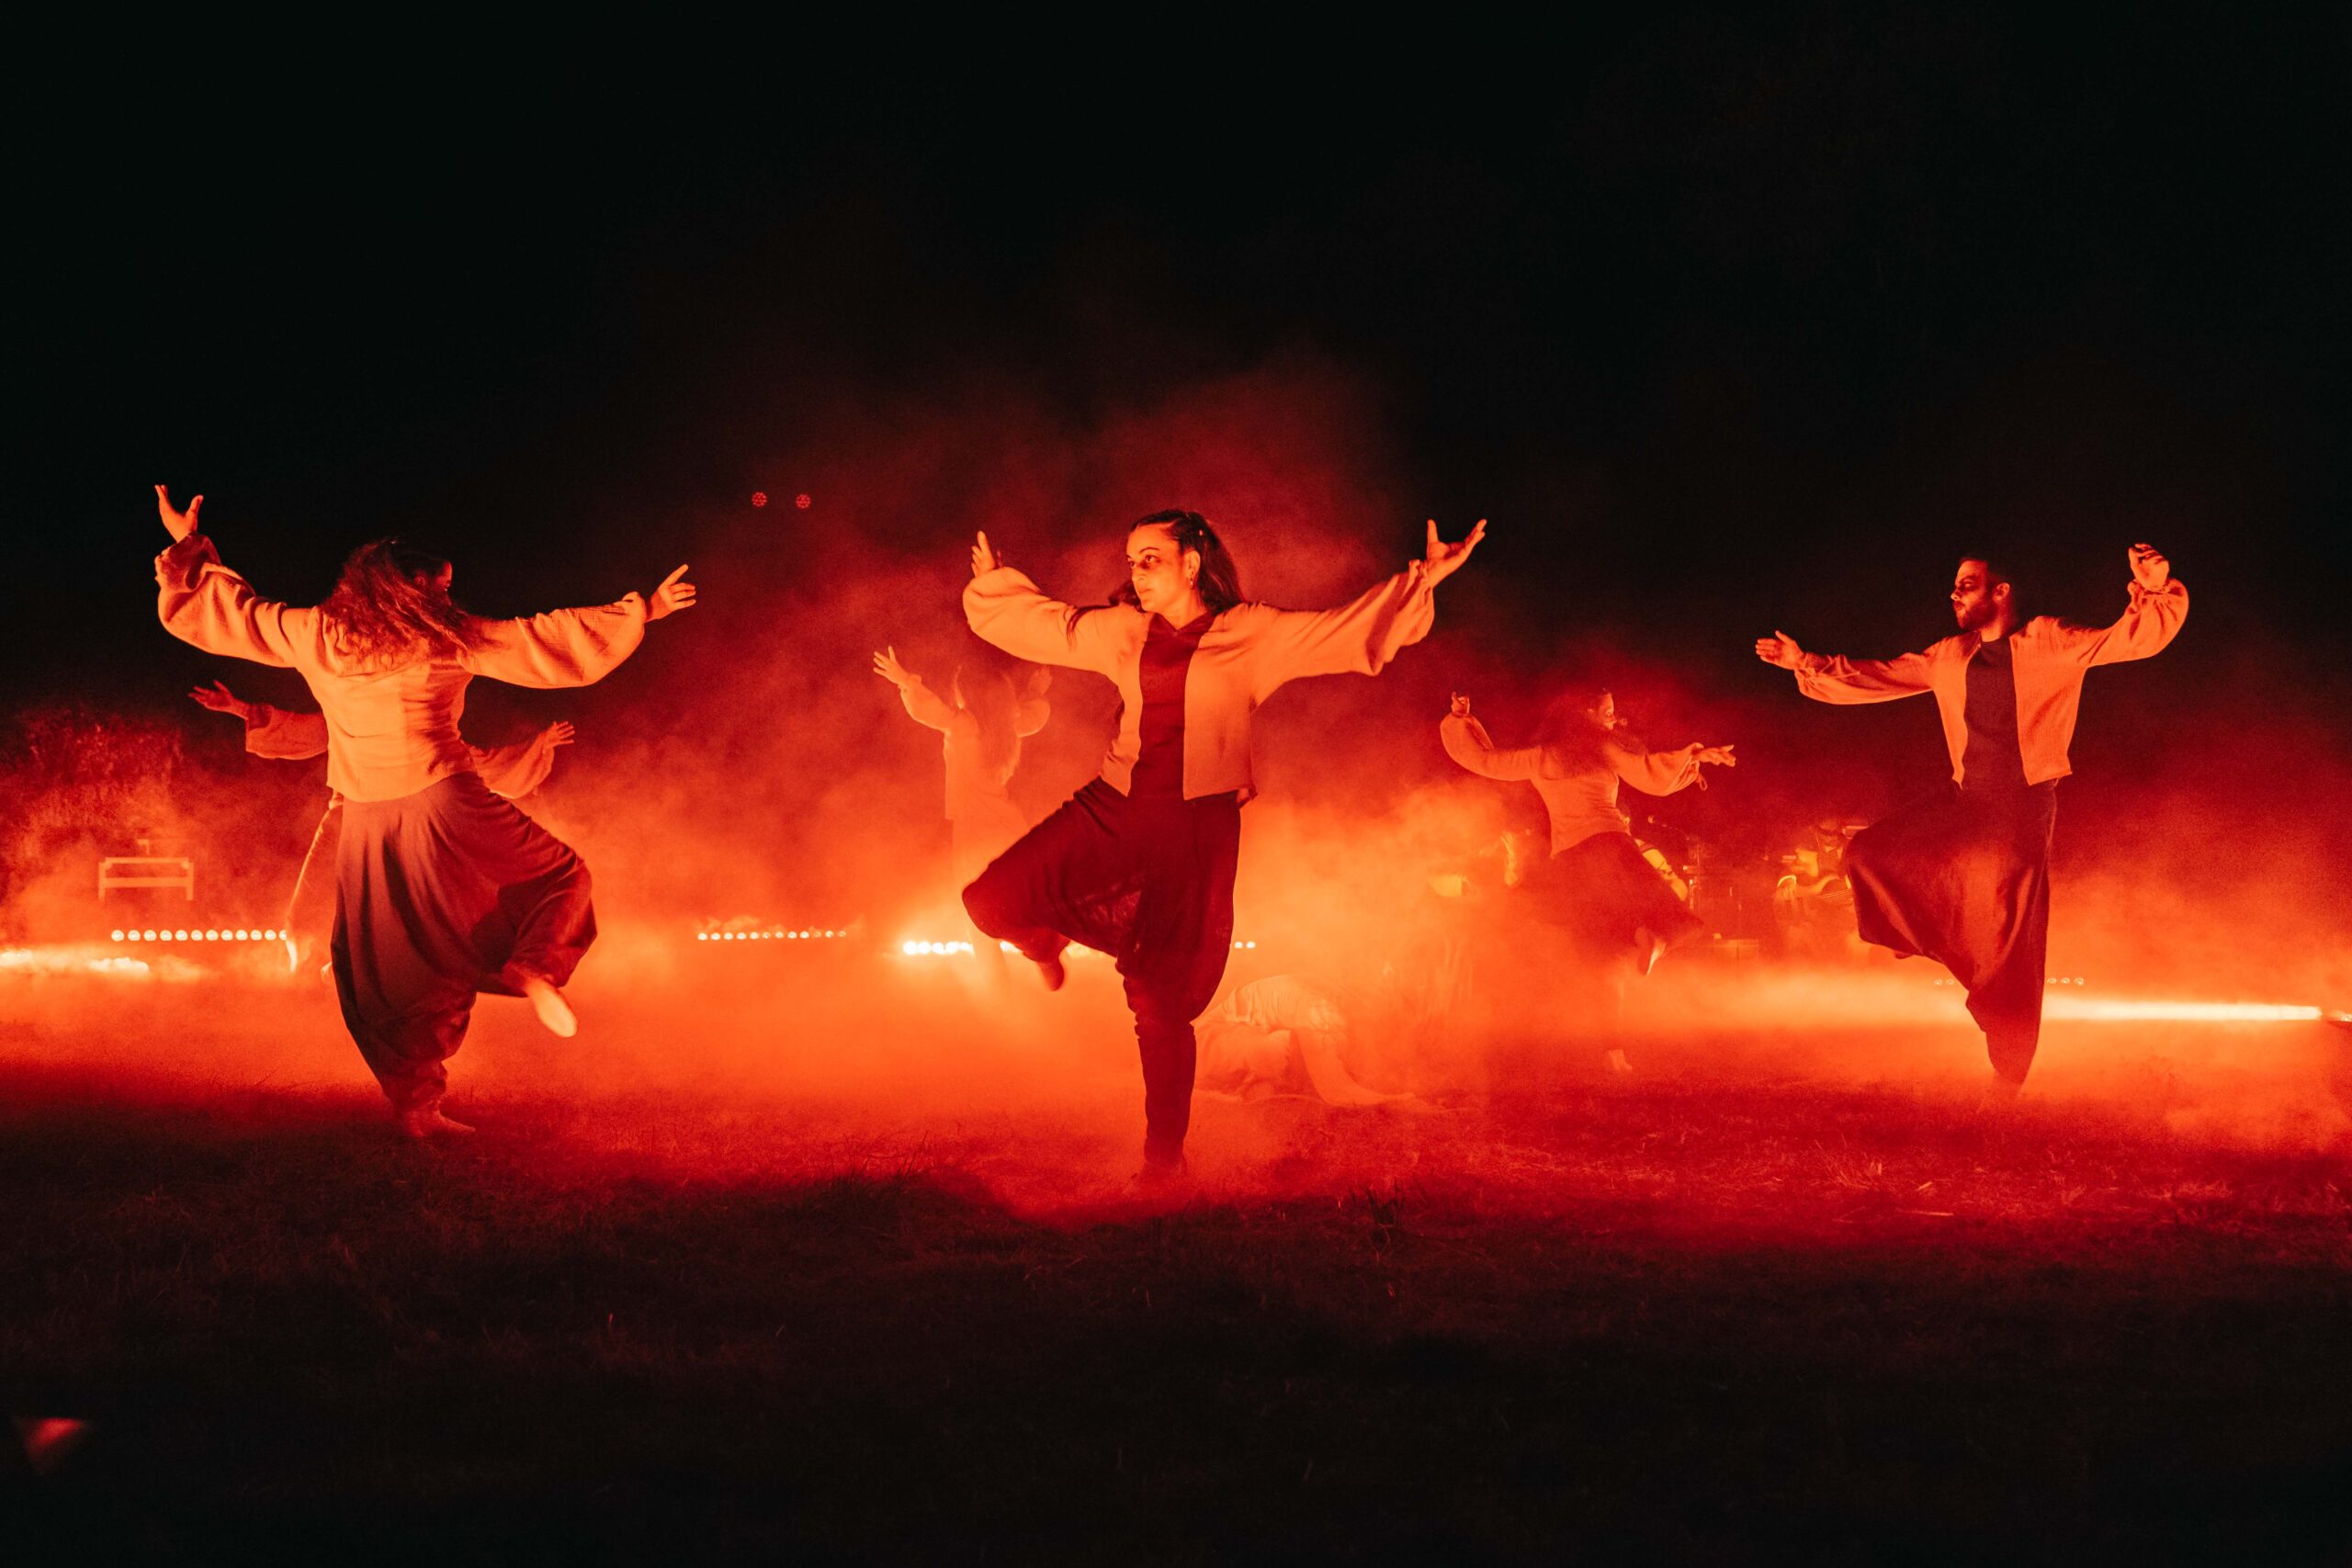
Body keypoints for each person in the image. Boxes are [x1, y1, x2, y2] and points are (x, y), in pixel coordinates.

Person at [152, 485, 696, 1136]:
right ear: (401, 587)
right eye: (435, 587)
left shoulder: (314, 633)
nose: (443, 597)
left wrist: (186, 546)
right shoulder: (444, 637)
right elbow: (534, 641)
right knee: (556, 878)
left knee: (387, 971)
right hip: (442, 800)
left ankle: (421, 1098)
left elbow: (232, 612)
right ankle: (526, 974)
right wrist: (642, 611)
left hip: (370, 820)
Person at [959, 509, 1486, 1179]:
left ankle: (1163, 1161)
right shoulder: (1124, 631)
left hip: (1195, 830)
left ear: (1190, 562)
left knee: (1159, 1002)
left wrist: (1422, 581)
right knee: (988, 901)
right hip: (1114, 807)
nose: (1136, 574)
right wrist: (997, 586)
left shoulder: (1251, 633)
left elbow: (1339, 631)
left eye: (1150, 558)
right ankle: (1044, 939)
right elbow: (1050, 624)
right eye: (1131, 561)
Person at [1756, 544, 2187, 1089]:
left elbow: (2127, 640)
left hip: (2021, 806)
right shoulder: (1948, 655)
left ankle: (2008, 1074)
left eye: (1968, 583)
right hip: (1967, 801)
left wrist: (2154, 588)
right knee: (1868, 851)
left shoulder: (2049, 640)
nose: (1955, 592)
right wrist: (1806, 665)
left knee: (2010, 941)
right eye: (1956, 584)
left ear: (2000, 591)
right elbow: (1878, 676)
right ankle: (1924, 937)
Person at [188, 679, 575, 976]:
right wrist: (235, 706)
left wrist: (538, 746)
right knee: (305, 919)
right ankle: (308, 991)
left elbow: (482, 764)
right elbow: (300, 728)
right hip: (347, 818)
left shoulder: (426, 733)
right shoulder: (354, 721)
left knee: (394, 926)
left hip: (399, 828)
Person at [1441, 686, 1733, 1074]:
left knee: (1602, 963)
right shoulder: (1604, 749)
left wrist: (1461, 720)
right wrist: (1693, 756)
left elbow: (1487, 760)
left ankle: (1613, 1054)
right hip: (1609, 847)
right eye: (1608, 711)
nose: (1614, 717)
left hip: (1570, 864)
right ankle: (1655, 941)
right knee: (1682, 921)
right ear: (1587, 715)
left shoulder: (1540, 757)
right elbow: (1648, 771)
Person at [869, 645, 1049, 976]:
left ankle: (1001, 997)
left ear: (964, 692)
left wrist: (906, 680)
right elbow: (1034, 716)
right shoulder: (1009, 726)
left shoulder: (964, 725)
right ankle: (1044, 956)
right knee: (1021, 904)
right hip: (1012, 829)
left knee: (979, 922)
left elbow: (931, 710)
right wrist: (1037, 691)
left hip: (976, 832)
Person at [1194, 974, 1412, 1106]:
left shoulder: (1326, 999)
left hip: (1228, 1045)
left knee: (1278, 1056)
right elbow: (1335, 1087)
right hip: (1214, 1046)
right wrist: (1390, 1101)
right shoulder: (1322, 1009)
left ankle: (1258, 1091)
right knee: (1275, 1054)